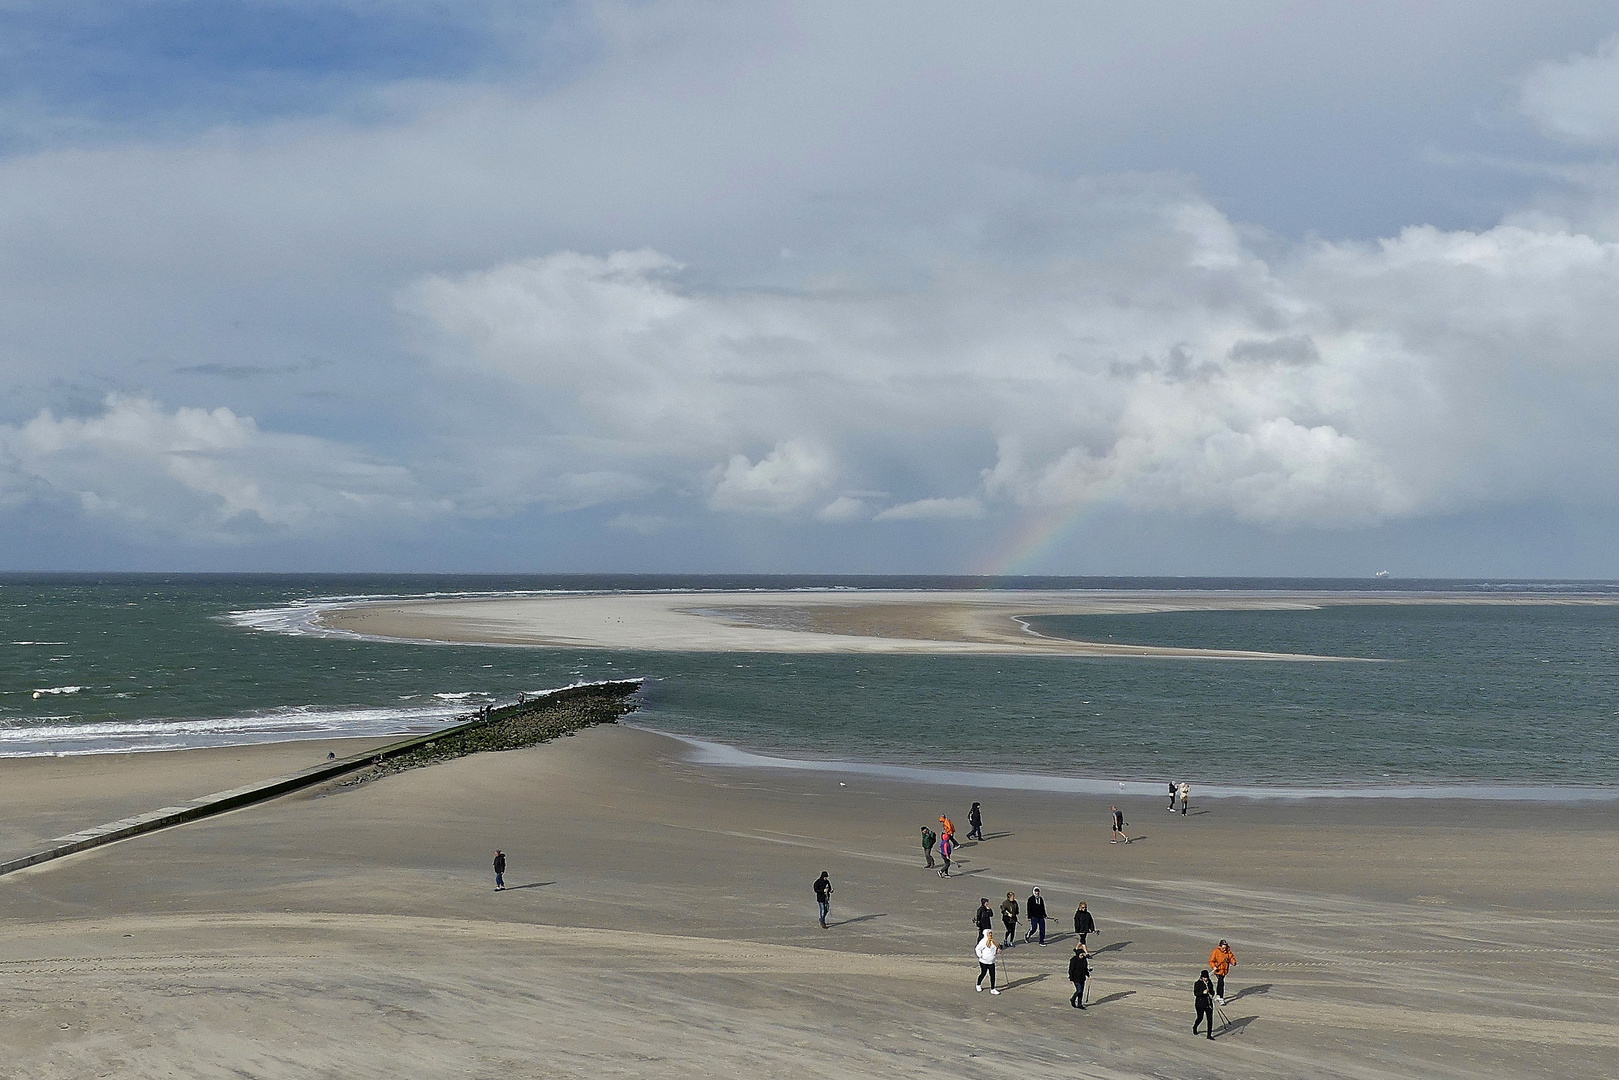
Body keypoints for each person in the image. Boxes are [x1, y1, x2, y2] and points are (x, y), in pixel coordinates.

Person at [1209, 939, 1236, 1004]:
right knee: (1221, 982)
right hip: (1218, 970)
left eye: (1225, 947)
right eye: (1223, 947)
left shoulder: (1228, 952)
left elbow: (1232, 958)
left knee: (1220, 982)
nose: (1224, 949)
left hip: (1225, 970)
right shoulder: (1215, 952)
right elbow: (1211, 961)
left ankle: (1218, 995)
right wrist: (1214, 967)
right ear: (1220, 946)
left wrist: (1233, 962)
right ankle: (1221, 997)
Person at [1193, 970, 1216, 1038]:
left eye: (1206, 977)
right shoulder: (1197, 983)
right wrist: (1203, 992)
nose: (1205, 979)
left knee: (1210, 1019)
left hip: (1208, 1004)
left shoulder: (1209, 983)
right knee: (1200, 1018)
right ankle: (1195, 1027)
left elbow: (1212, 991)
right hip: (1200, 1004)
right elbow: (1196, 993)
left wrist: (1212, 994)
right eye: (1204, 977)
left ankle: (1209, 1035)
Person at [1068, 943, 1090, 1008]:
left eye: (1082, 954)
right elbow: (1071, 970)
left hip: (1082, 977)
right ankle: (1073, 999)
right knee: (1079, 990)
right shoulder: (1073, 960)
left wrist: (1088, 975)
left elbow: (1085, 968)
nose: (1082, 956)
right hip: (1076, 978)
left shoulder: (1084, 960)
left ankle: (1079, 1004)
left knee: (1082, 991)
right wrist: (1071, 978)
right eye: (1081, 954)